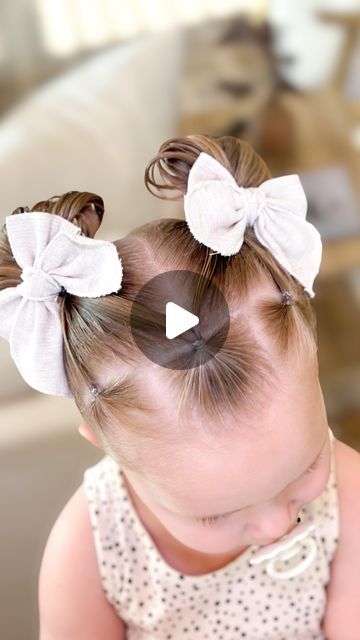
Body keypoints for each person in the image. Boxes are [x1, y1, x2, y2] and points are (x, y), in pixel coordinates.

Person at [0, 135, 359, 639]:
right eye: (216, 516)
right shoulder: (90, 550)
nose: (279, 525)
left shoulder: (349, 491)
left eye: (305, 469)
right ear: (110, 449)